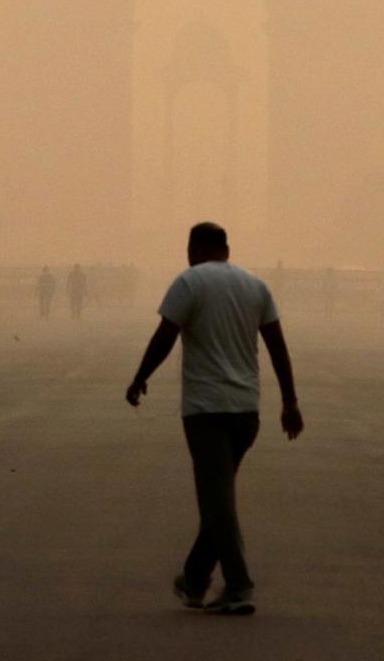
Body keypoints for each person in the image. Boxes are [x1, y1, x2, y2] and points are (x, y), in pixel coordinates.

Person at [125, 222, 301, 617]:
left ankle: (239, 586)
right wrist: (289, 402)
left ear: (197, 247)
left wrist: (140, 378)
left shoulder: (190, 282)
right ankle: (194, 578)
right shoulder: (256, 286)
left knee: (217, 503)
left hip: (205, 410)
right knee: (218, 499)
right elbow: (277, 347)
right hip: (246, 411)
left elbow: (165, 336)